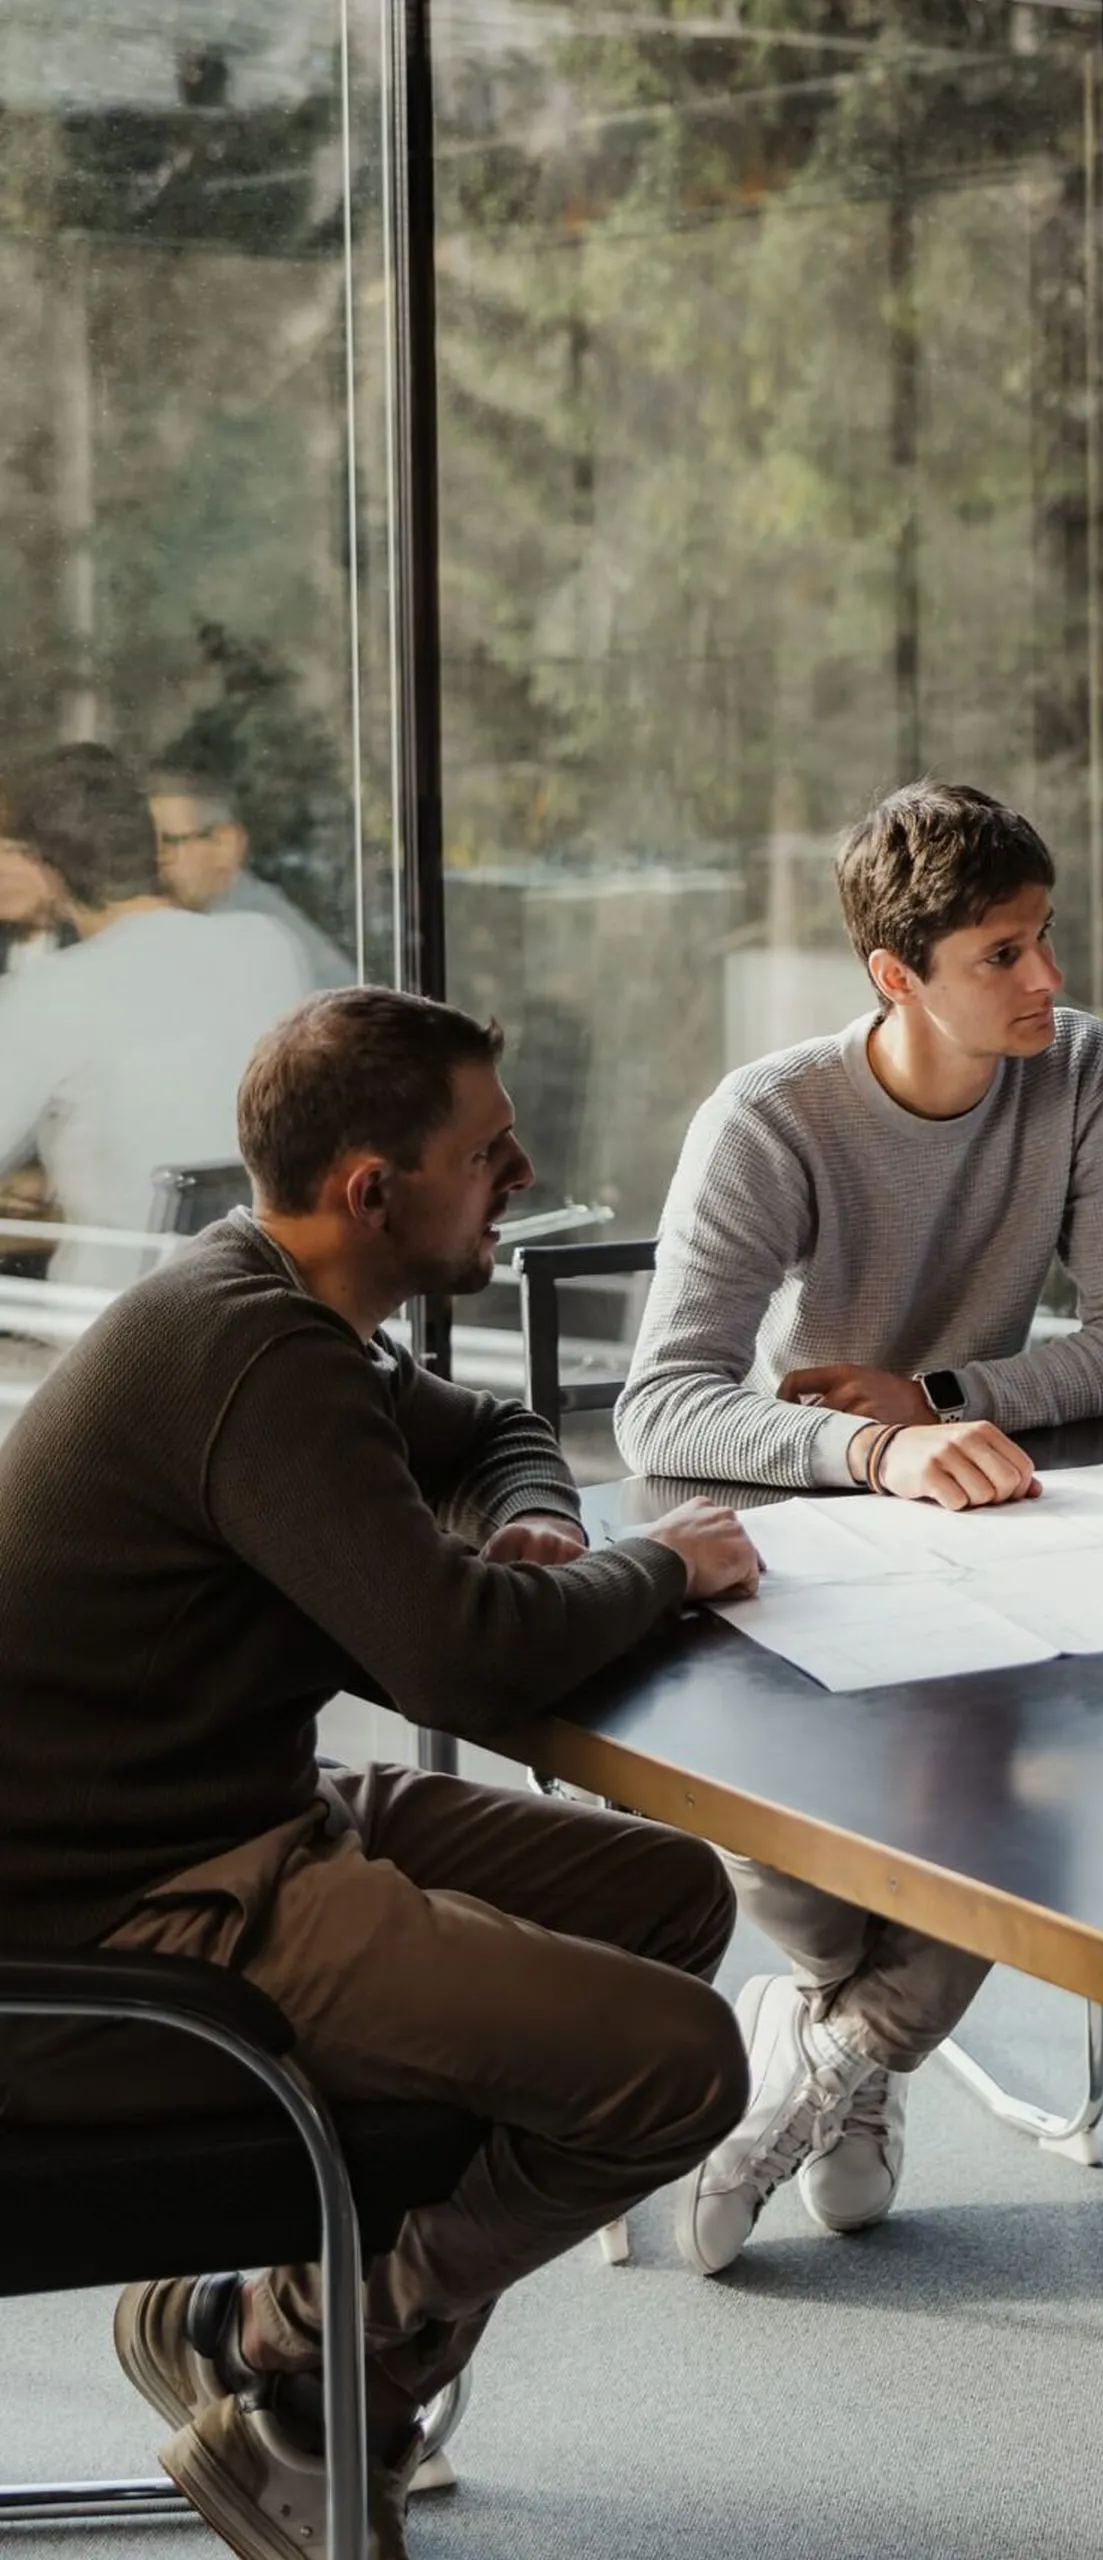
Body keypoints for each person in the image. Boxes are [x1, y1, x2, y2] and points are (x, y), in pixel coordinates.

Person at [0, 987, 762, 2559]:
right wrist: (664, 1570)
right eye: (489, 1152)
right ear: (372, 1189)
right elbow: (462, 1662)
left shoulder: (277, 1306)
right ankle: (290, 2360)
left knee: (671, 1893)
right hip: (125, 1923)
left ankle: (264, 2356)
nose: (525, 1172)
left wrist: (544, 1521)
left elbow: (493, 1430)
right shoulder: (260, 1370)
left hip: (241, 1817)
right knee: (683, 2067)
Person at [617, 778, 1103, 2276]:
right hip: (798, 1533)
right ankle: (859, 2047)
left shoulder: (1082, 1075)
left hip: (996, 1526)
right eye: (1001, 954)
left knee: (1052, 1791)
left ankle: (824, 2051)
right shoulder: (773, 1118)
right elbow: (661, 1408)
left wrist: (939, 1391)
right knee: (763, 1793)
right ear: (897, 976)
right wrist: (875, 1443)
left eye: (1045, 939)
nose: (1046, 981)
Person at [0, 744, 306, 1290]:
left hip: (108, 1345)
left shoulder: (53, 990)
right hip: (257, 1328)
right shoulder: (269, 945)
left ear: (45, 869)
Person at [149, 765, 356, 993]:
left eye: (169, 841)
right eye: (146, 845)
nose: (156, 858)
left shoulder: (261, 938)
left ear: (226, 844)